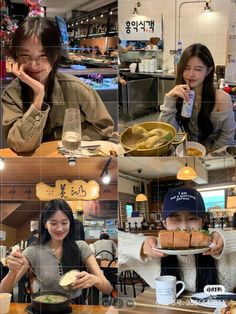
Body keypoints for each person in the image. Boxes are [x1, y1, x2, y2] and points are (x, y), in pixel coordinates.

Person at [2, 17, 114, 153]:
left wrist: (63, 140)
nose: (34, 64)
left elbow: (104, 128)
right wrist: (39, 96)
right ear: (16, 57)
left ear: (55, 55)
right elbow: (19, 145)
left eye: (43, 55)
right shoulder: (11, 94)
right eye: (25, 55)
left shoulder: (76, 88)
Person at [119, 187, 236, 292]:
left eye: (192, 218)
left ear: (203, 221)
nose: (184, 228)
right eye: (175, 219)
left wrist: (228, 241)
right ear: (164, 223)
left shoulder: (224, 252)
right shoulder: (153, 253)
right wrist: (140, 245)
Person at [0, 199, 112, 303]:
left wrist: (95, 280)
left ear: (70, 223)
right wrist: (12, 272)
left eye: (64, 223)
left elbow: (108, 289)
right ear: (45, 224)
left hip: (76, 308)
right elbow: (2, 292)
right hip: (46, 306)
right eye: (53, 223)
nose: (59, 228)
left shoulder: (81, 247)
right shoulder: (33, 251)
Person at [159, 43, 236, 152]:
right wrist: (169, 99)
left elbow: (227, 136)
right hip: (190, 151)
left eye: (198, 69)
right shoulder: (180, 94)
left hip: (215, 156)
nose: (191, 74)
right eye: (187, 68)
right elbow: (165, 136)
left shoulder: (221, 99)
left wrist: (208, 158)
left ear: (208, 71)